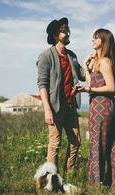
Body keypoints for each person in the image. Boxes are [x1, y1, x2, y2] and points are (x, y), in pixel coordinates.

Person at [79, 28, 115, 187]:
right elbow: (91, 83)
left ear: (104, 41)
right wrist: (85, 67)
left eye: (96, 38)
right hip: (96, 107)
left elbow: (112, 88)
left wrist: (90, 90)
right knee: (102, 145)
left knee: (101, 145)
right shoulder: (96, 62)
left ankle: (97, 185)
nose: (92, 40)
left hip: (104, 107)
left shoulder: (105, 61)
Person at [36, 17, 85, 174]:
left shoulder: (72, 55)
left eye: (68, 29)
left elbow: (82, 75)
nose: (68, 32)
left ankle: (69, 174)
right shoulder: (45, 56)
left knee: (76, 142)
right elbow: (42, 84)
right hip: (55, 108)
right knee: (55, 144)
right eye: (64, 30)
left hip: (71, 106)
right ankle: (51, 178)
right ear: (55, 35)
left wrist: (90, 62)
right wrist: (47, 109)